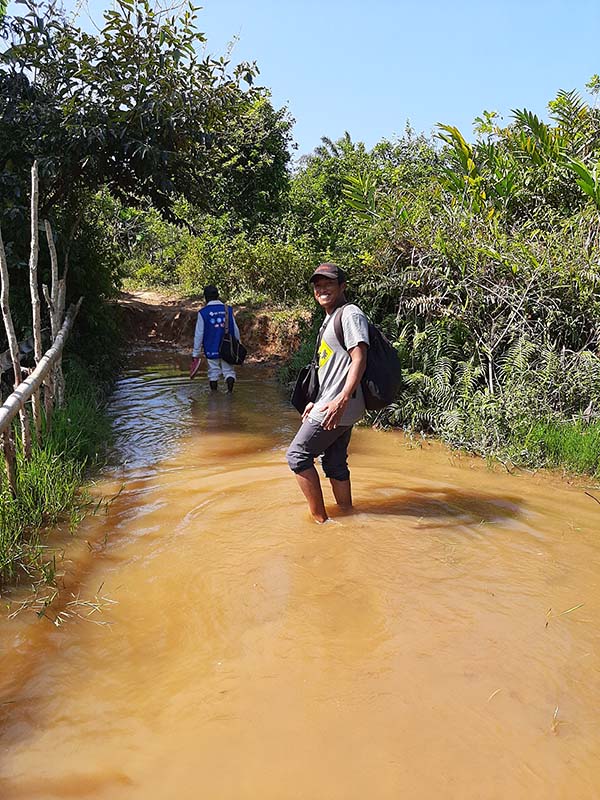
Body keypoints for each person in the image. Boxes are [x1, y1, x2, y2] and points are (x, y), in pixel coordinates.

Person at [286, 263, 369, 523]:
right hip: (333, 403)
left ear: (342, 286)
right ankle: (348, 514)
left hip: (341, 404)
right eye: (318, 285)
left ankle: (320, 521)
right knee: (334, 463)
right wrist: (316, 401)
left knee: (297, 455)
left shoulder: (350, 314)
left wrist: (341, 400)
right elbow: (332, 368)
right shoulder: (330, 318)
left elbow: (359, 358)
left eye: (328, 283)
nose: (322, 289)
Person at [190, 285, 241, 393]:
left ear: (205, 297)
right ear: (218, 296)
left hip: (211, 347)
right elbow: (235, 329)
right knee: (229, 371)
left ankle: (214, 397)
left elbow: (199, 334)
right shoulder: (228, 309)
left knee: (213, 372)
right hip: (228, 347)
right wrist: (237, 344)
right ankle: (230, 394)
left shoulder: (203, 313)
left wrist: (195, 353)